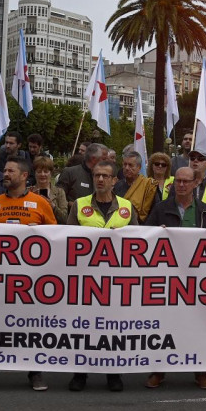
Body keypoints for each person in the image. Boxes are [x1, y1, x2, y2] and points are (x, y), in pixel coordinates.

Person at [0, 157, 54, 393]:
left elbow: (55, 238)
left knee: (31, 327)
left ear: (24, 176)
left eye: (10, 171)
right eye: (4, 170)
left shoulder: (41, 203)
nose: (5, 174)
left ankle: (35, 373)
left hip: (32, 281)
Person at [143, 165, 206, 390]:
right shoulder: (161, 208)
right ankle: (160, 370)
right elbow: (145, 237)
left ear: (195, 184)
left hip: (196, 279)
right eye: (178, 181)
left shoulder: (205, 211)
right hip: (167, 277)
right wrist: (157, 234)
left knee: (198, 324)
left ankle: (200, 370)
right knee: (165, 323)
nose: (181, 185)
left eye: (186, 181)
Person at [68, 160, 134, 392]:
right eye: (97, 175)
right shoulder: (79, 205)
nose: (100, 180)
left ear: (115, 181)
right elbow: (67, 240)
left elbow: (139, 240)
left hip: (116, 280)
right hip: (85, 279)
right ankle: (80, 373)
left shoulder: (127, 207)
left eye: (105, 176)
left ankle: (113, 373)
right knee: (83, 327)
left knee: (114, 328)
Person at [114, 150, 158, 222]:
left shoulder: (149, 186)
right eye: (125, 165)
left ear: (139, 167)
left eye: (130, 165)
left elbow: (155, 211)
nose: (127, 168)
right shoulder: (118, 185)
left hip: (142, 228)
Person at [30, 156, 67, 221]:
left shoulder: (59, 192)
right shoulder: (28, 191)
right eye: (39, 171)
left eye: (46, 171)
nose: (42, 174)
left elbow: (65, 218)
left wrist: (53, 206)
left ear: (51, 173)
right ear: (35, 173)